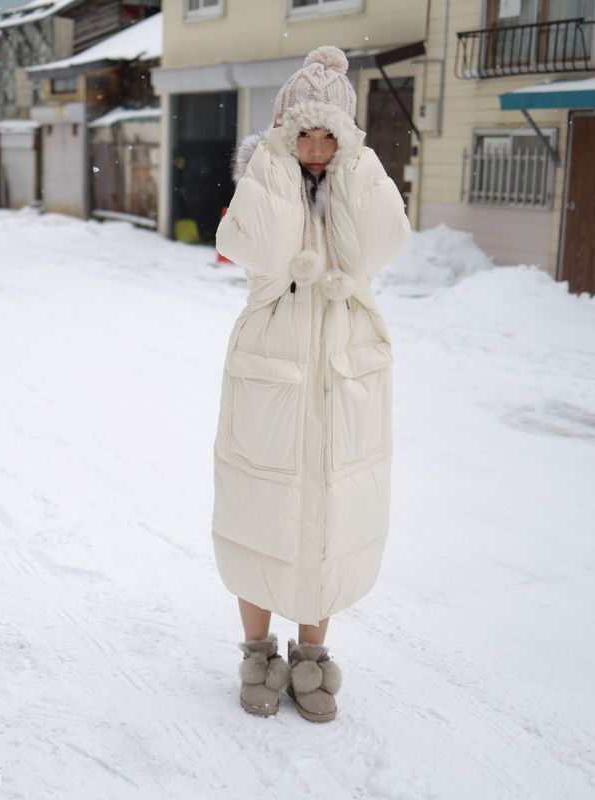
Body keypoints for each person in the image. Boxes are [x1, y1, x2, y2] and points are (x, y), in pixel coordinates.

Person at [212, 45, 412, 722]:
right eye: (306, 134)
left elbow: (384, 243)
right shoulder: (263, 184)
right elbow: (258, 248)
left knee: (329, 514)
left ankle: (312, 656)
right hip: (272, 371)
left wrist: (356, 163)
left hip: (345, 367)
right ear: (283, 134)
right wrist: (272, 161)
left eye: (332, 135)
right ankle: (257, 650)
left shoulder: (353, 183)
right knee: (262, 515)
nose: (318, 148)